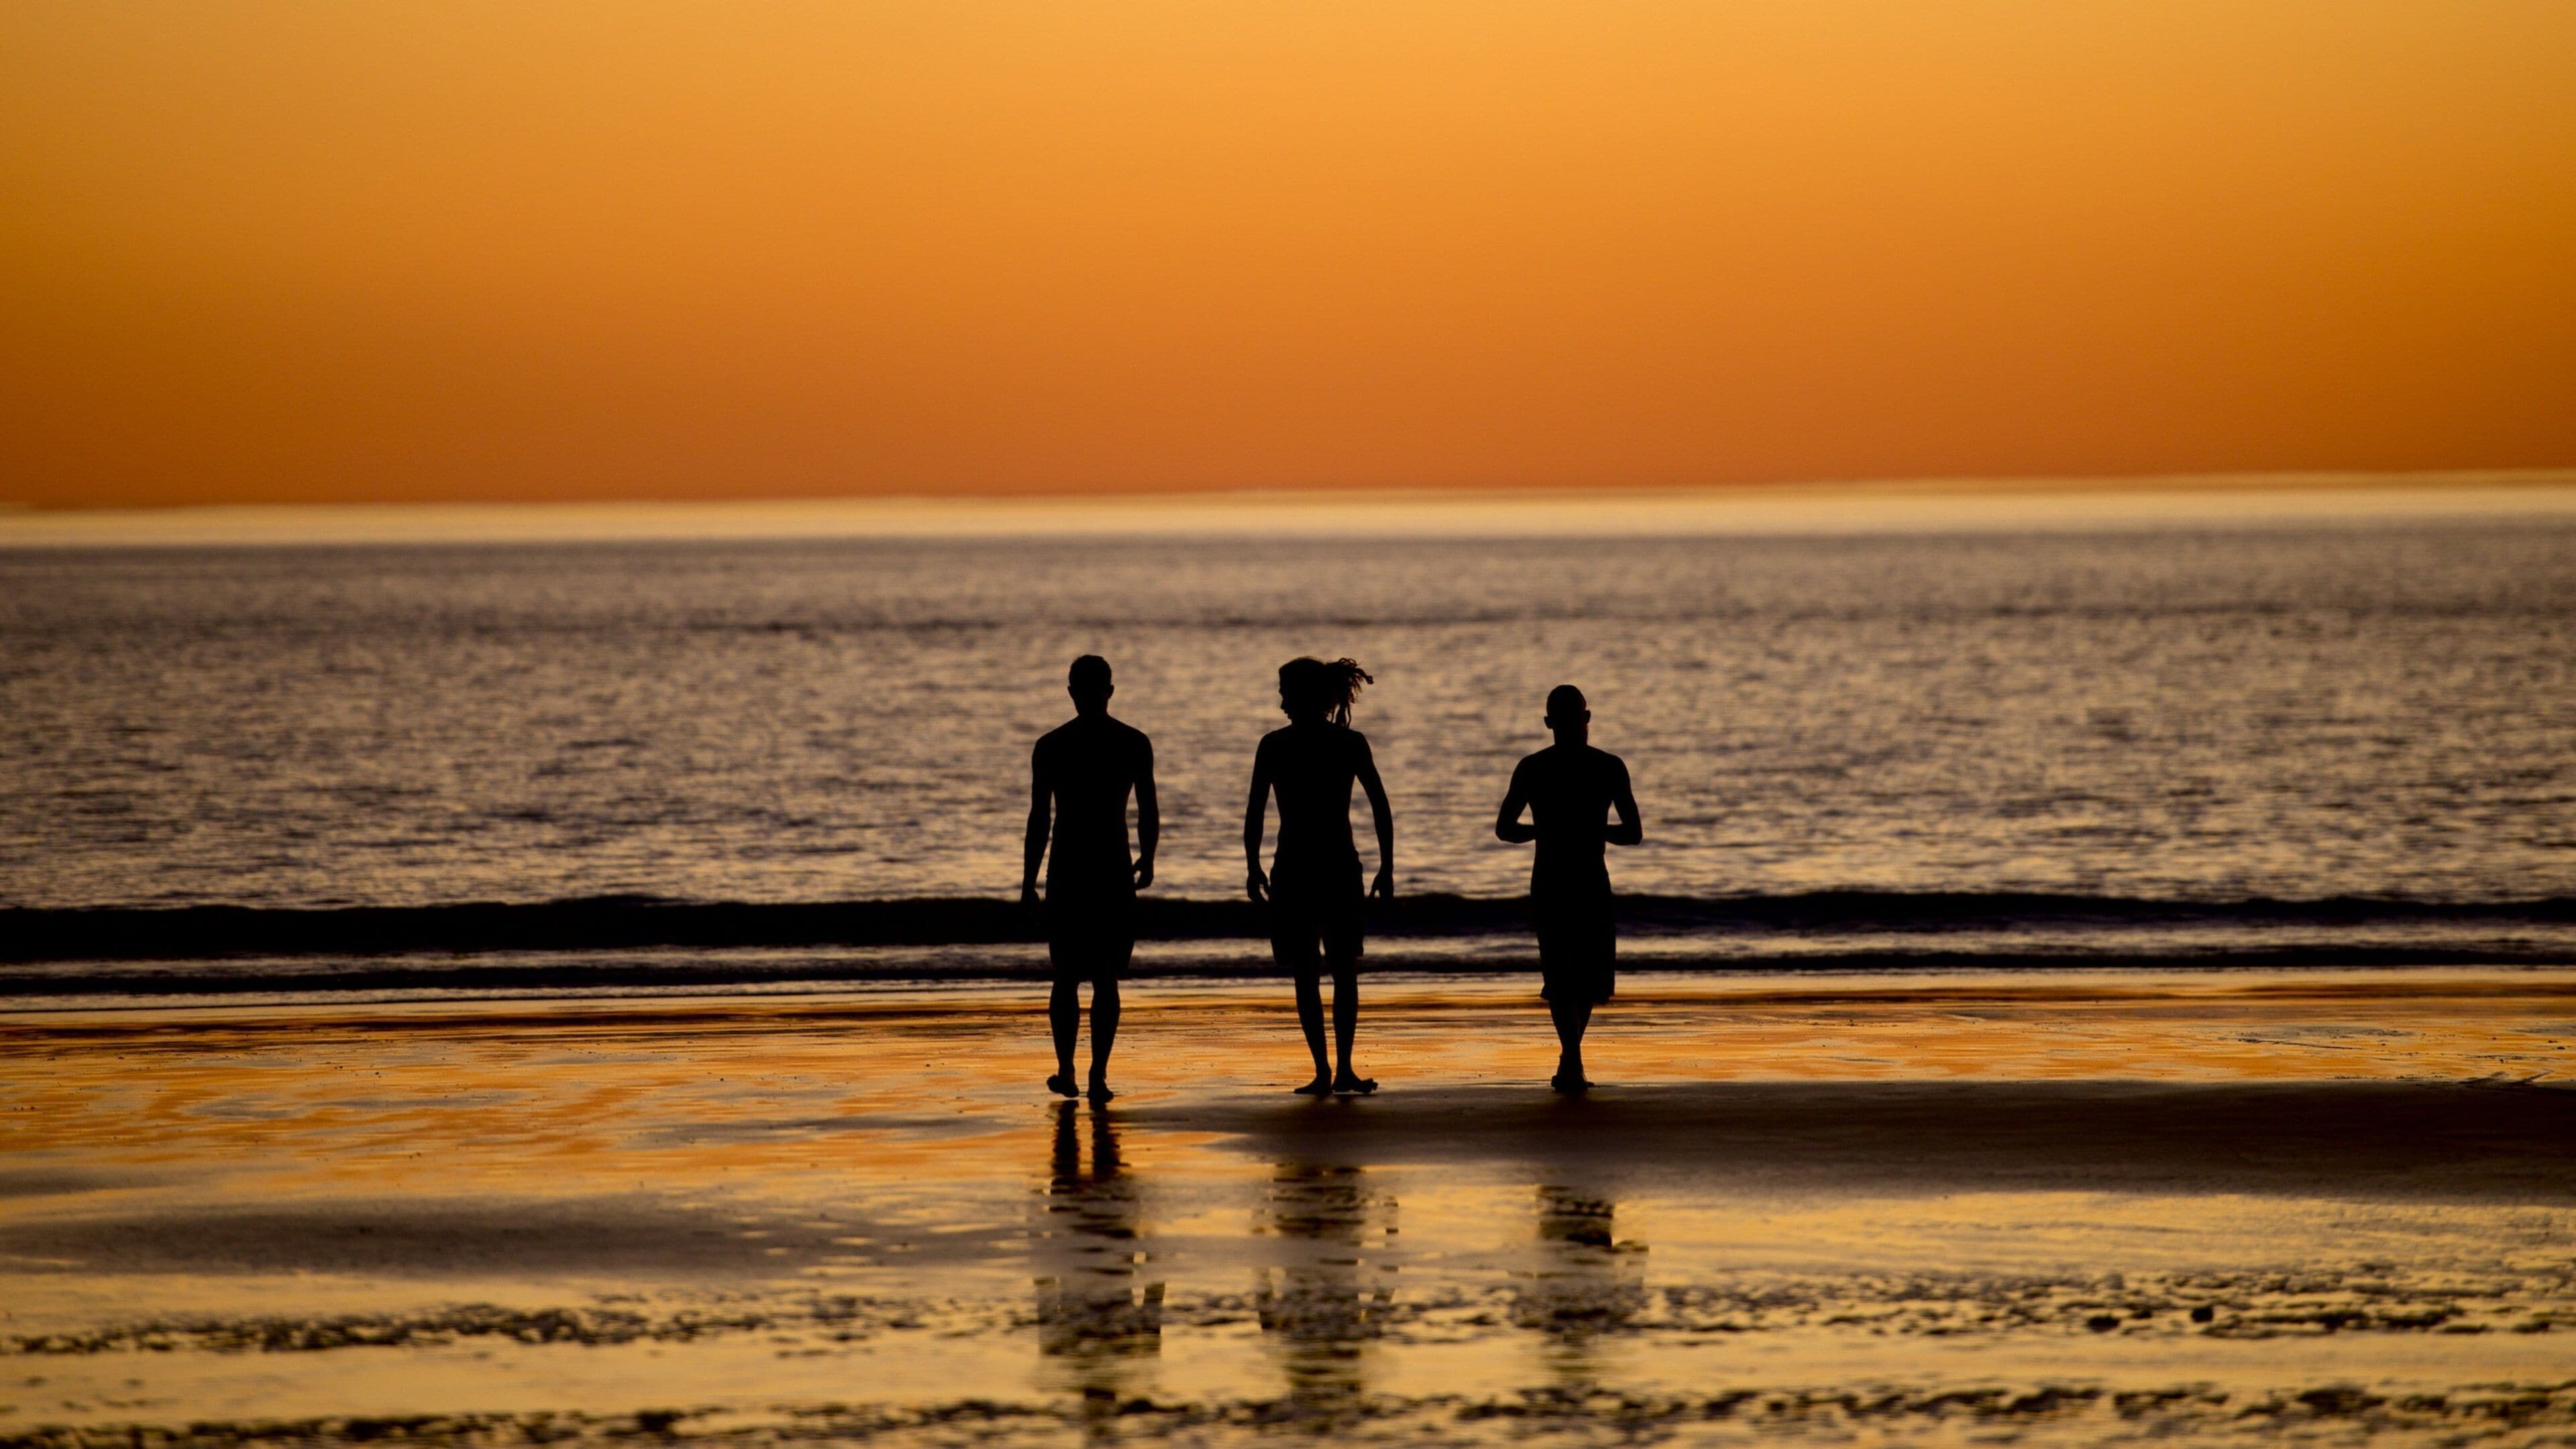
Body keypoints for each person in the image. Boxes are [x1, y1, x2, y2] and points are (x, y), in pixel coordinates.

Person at [1245, 657, 1394, 1095]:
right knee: (1334, 971)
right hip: (1325, 868)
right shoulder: (1335, 744)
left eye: (1285, 691)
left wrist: (1253, 863)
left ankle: (1332, 1071)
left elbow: (1256, 812)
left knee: (1316, 972)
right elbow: (1381, 806)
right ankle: (1334, 1070)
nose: (1280, 701)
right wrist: (1387, 864)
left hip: (1305, 868)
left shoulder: (1283, 746)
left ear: (1302, 695)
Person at [1022, 655, 1158, 1102]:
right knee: (1103, 976)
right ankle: (1092, 1074)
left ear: (1072, 693)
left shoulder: (1052, 745)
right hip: (1110, 867)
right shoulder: (1132, 742)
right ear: (1109, 691)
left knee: (1069, 975)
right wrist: (1148, 857)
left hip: (1069, 868)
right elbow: (1148, 810)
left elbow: (1040, 819)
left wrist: (1029, 881)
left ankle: (1073, 1071)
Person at [1495, 684, 1642, 1092]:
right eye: (1569, 719)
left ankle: (1570, 1058)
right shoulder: (1598, 767)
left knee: (1578, 975)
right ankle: (1572, 1058)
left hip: (1569, 880)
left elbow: (1634, 833)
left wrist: (1569, 829)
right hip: (1569, 880)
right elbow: (1504, 828)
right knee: (1567, 975)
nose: (1572, 726)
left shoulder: (1550, 767)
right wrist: (1554, 829)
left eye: (1572, 718)